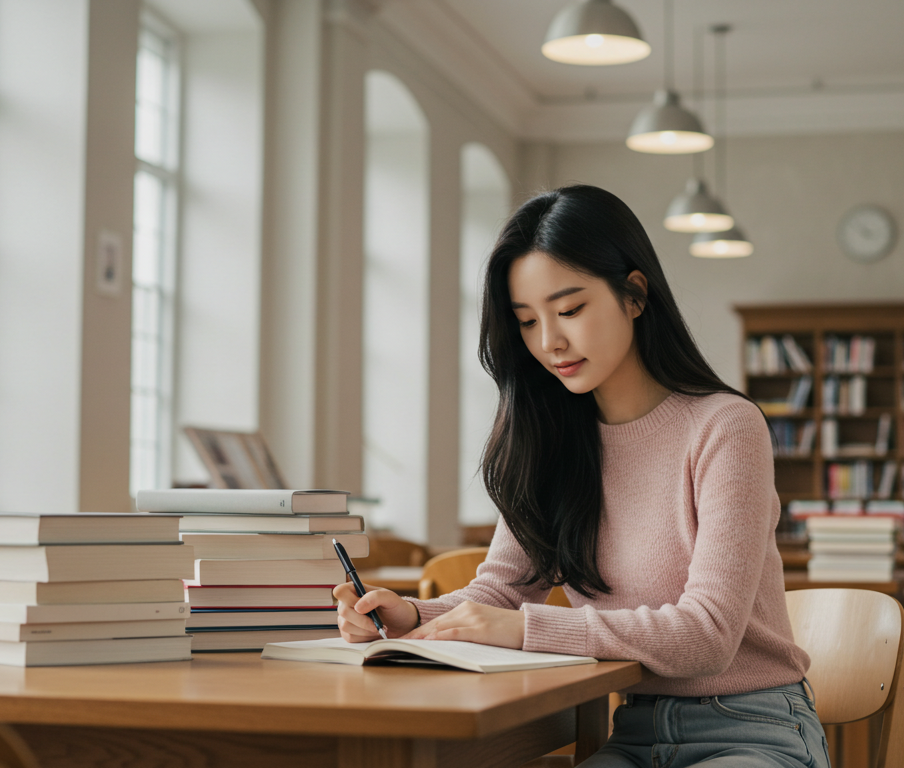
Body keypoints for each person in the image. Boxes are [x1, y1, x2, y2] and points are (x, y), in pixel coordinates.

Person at [334, 184, 829, 768]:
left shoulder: (725, 427)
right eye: (526, 321)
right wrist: (414, 614)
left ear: (635, 294)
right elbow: (502, 592)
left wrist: (521, 631)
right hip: (634, 730)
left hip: (751, 726)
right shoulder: (548, 440)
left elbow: (708, 635)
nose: (550, 342)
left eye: (569, 310)